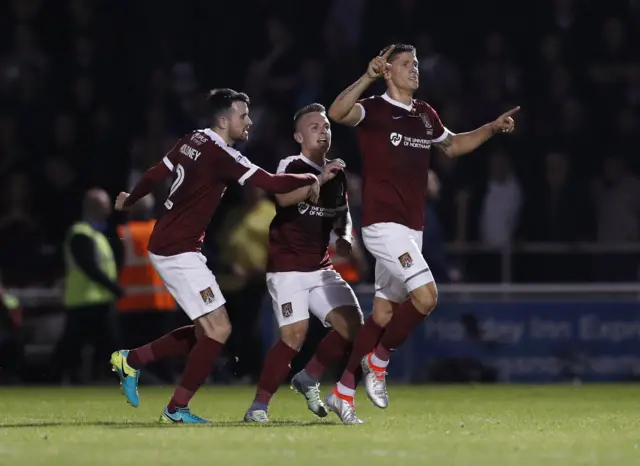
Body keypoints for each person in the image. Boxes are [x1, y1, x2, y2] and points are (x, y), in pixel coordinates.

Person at [326, 44, 518, 421]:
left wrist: (492, 128)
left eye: (416, 64)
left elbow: (454, 145)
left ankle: (342, 390)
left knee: (382, 313)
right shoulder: (375, 110)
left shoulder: (424, 114)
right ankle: (378, 363)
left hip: (413, 230)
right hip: (383, 226)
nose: (414, 69)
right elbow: (337, 112)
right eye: (405, 64)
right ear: (388, 71)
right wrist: (367, 76)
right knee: (427, 298)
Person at [111, 88, 325, 424]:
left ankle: (132, 360)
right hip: (177, 250)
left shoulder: (191, 139)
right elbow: (270, 182)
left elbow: (156, 172)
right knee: (218, 329)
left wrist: (130, 198)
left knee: (205, 330)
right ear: (224, 120)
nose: (249, 121)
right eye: (243, 116)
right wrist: (312, 177)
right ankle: (176, 408)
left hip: (175, 245)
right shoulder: (222, 154)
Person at [242, 103, 363, 424]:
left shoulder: (338, 173)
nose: (322, 131)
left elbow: (343, 213)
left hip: (320, 267)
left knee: (354, 327)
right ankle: (258, 406)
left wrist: (345, 236)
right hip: (287, 268)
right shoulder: (292, 164)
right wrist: (320, 178)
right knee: (294, 337)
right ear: (299, 135)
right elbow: (282, 198)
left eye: (326, 126)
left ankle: (309, 377)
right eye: (314, 126)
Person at [50, 188, 123, 383]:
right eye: (104, 206)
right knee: (78, 348)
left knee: (75, 348)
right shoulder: (81, 234)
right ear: (93, 207)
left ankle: (54, 379)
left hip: (95, 301)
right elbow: (89, 267)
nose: (108, 211)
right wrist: (114, 288)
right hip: (86, 302)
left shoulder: (96, 234)